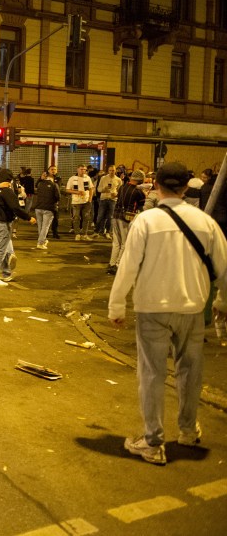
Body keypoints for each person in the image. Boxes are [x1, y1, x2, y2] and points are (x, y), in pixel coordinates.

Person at [108, 162, 227, 465]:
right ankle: (187, 431)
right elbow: (224, 270)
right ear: (187, 187)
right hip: (191, 309)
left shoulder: (146, 221)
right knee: (190, 373)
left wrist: (117, 305)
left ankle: (153, 441)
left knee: (152, 374)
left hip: (152, 310)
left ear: (156, 186)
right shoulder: (206, 223)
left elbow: (128, 266)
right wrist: (222, 303)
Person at [0, 169, 36, 286]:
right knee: (1, 251)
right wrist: (28, 218)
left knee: (4, 248)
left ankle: (6, 273)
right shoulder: (7, 192)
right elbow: (16, 208)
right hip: (2, 223)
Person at [107, 170, 147, 275]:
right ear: (140, 180)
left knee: (116, 242)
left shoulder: (122, 187)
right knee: (125, 243)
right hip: (126, 218)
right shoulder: (138, 192)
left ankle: (111, 264)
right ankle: (117, 265)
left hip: (115, 216)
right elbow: (142, 206)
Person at [33, 170, 59, 249]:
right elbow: (58, 197)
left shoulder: (40, 184)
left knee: (40, 226)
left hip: (38, 207)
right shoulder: (54, 185)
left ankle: (43, 240)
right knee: (45, 226)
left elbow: (36, 188)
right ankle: (40, 243)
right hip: (49, 208)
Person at [67, 165, 94, 240]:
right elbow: (68, 190)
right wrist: (77, 192)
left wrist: (90, 199)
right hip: (76, 202)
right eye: (81, 169)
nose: (83, 171)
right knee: (76, 218)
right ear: (77, 170)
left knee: (86, 217)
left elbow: (91, 188)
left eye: (85, 170)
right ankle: (77, 234)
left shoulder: (87, 178)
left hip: (86, 201)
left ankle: (84, 234)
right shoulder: (72, 179)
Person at [96, 165, 122, 237]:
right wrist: (104, 189)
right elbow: (98, 189)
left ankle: (108, 232)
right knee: (100, 216)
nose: (111, 172)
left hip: (112, 200)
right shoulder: (103, 178)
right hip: (103, 199)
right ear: (108, 171)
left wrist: (116, 194)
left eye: (113, 170)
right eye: (110, 170)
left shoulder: (118, 180)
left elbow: (120, 191)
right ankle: (97, 231)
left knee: (110, 217)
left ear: (115, 171)